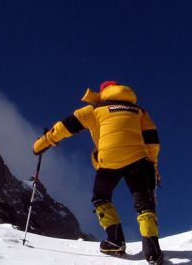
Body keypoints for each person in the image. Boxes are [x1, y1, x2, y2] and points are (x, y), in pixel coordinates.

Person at [33, 81, 164, 265]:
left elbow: (65, 126)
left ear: (103, 93)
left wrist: (44, 143)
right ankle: (152, 251)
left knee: (101, 197)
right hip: (138, 160)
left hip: (108, 160)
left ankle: (115, 240)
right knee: (144, 204)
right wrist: (153, 166)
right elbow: (152, 140)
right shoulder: (139, 111)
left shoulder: (95, 109)